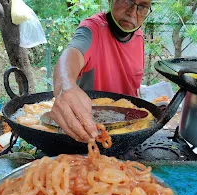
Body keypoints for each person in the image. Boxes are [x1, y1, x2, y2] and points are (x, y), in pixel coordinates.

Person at [49, 0, 152, 142]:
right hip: (88, 134)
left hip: (130, 134)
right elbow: (72, 53)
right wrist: (65, 86)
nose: (132, 12)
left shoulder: (139, 37)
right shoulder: (92, 29)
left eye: (143, 6)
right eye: (127, 1)